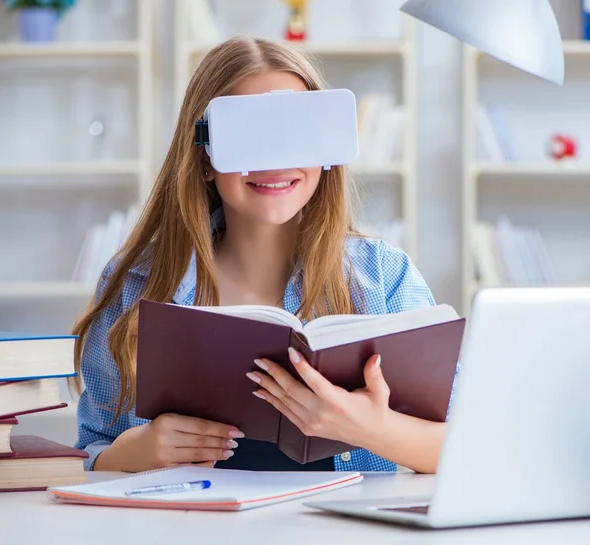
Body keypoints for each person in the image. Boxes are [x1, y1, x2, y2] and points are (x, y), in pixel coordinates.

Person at [71, 35, 456, 475]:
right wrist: (140, 449)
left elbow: (469, 445)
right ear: (204, 156)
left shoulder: (384, 277)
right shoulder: (136, 284)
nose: (275, 162)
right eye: (250, 135)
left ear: (326, 151)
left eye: (297, 134)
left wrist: (371, 428)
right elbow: (90, 452)